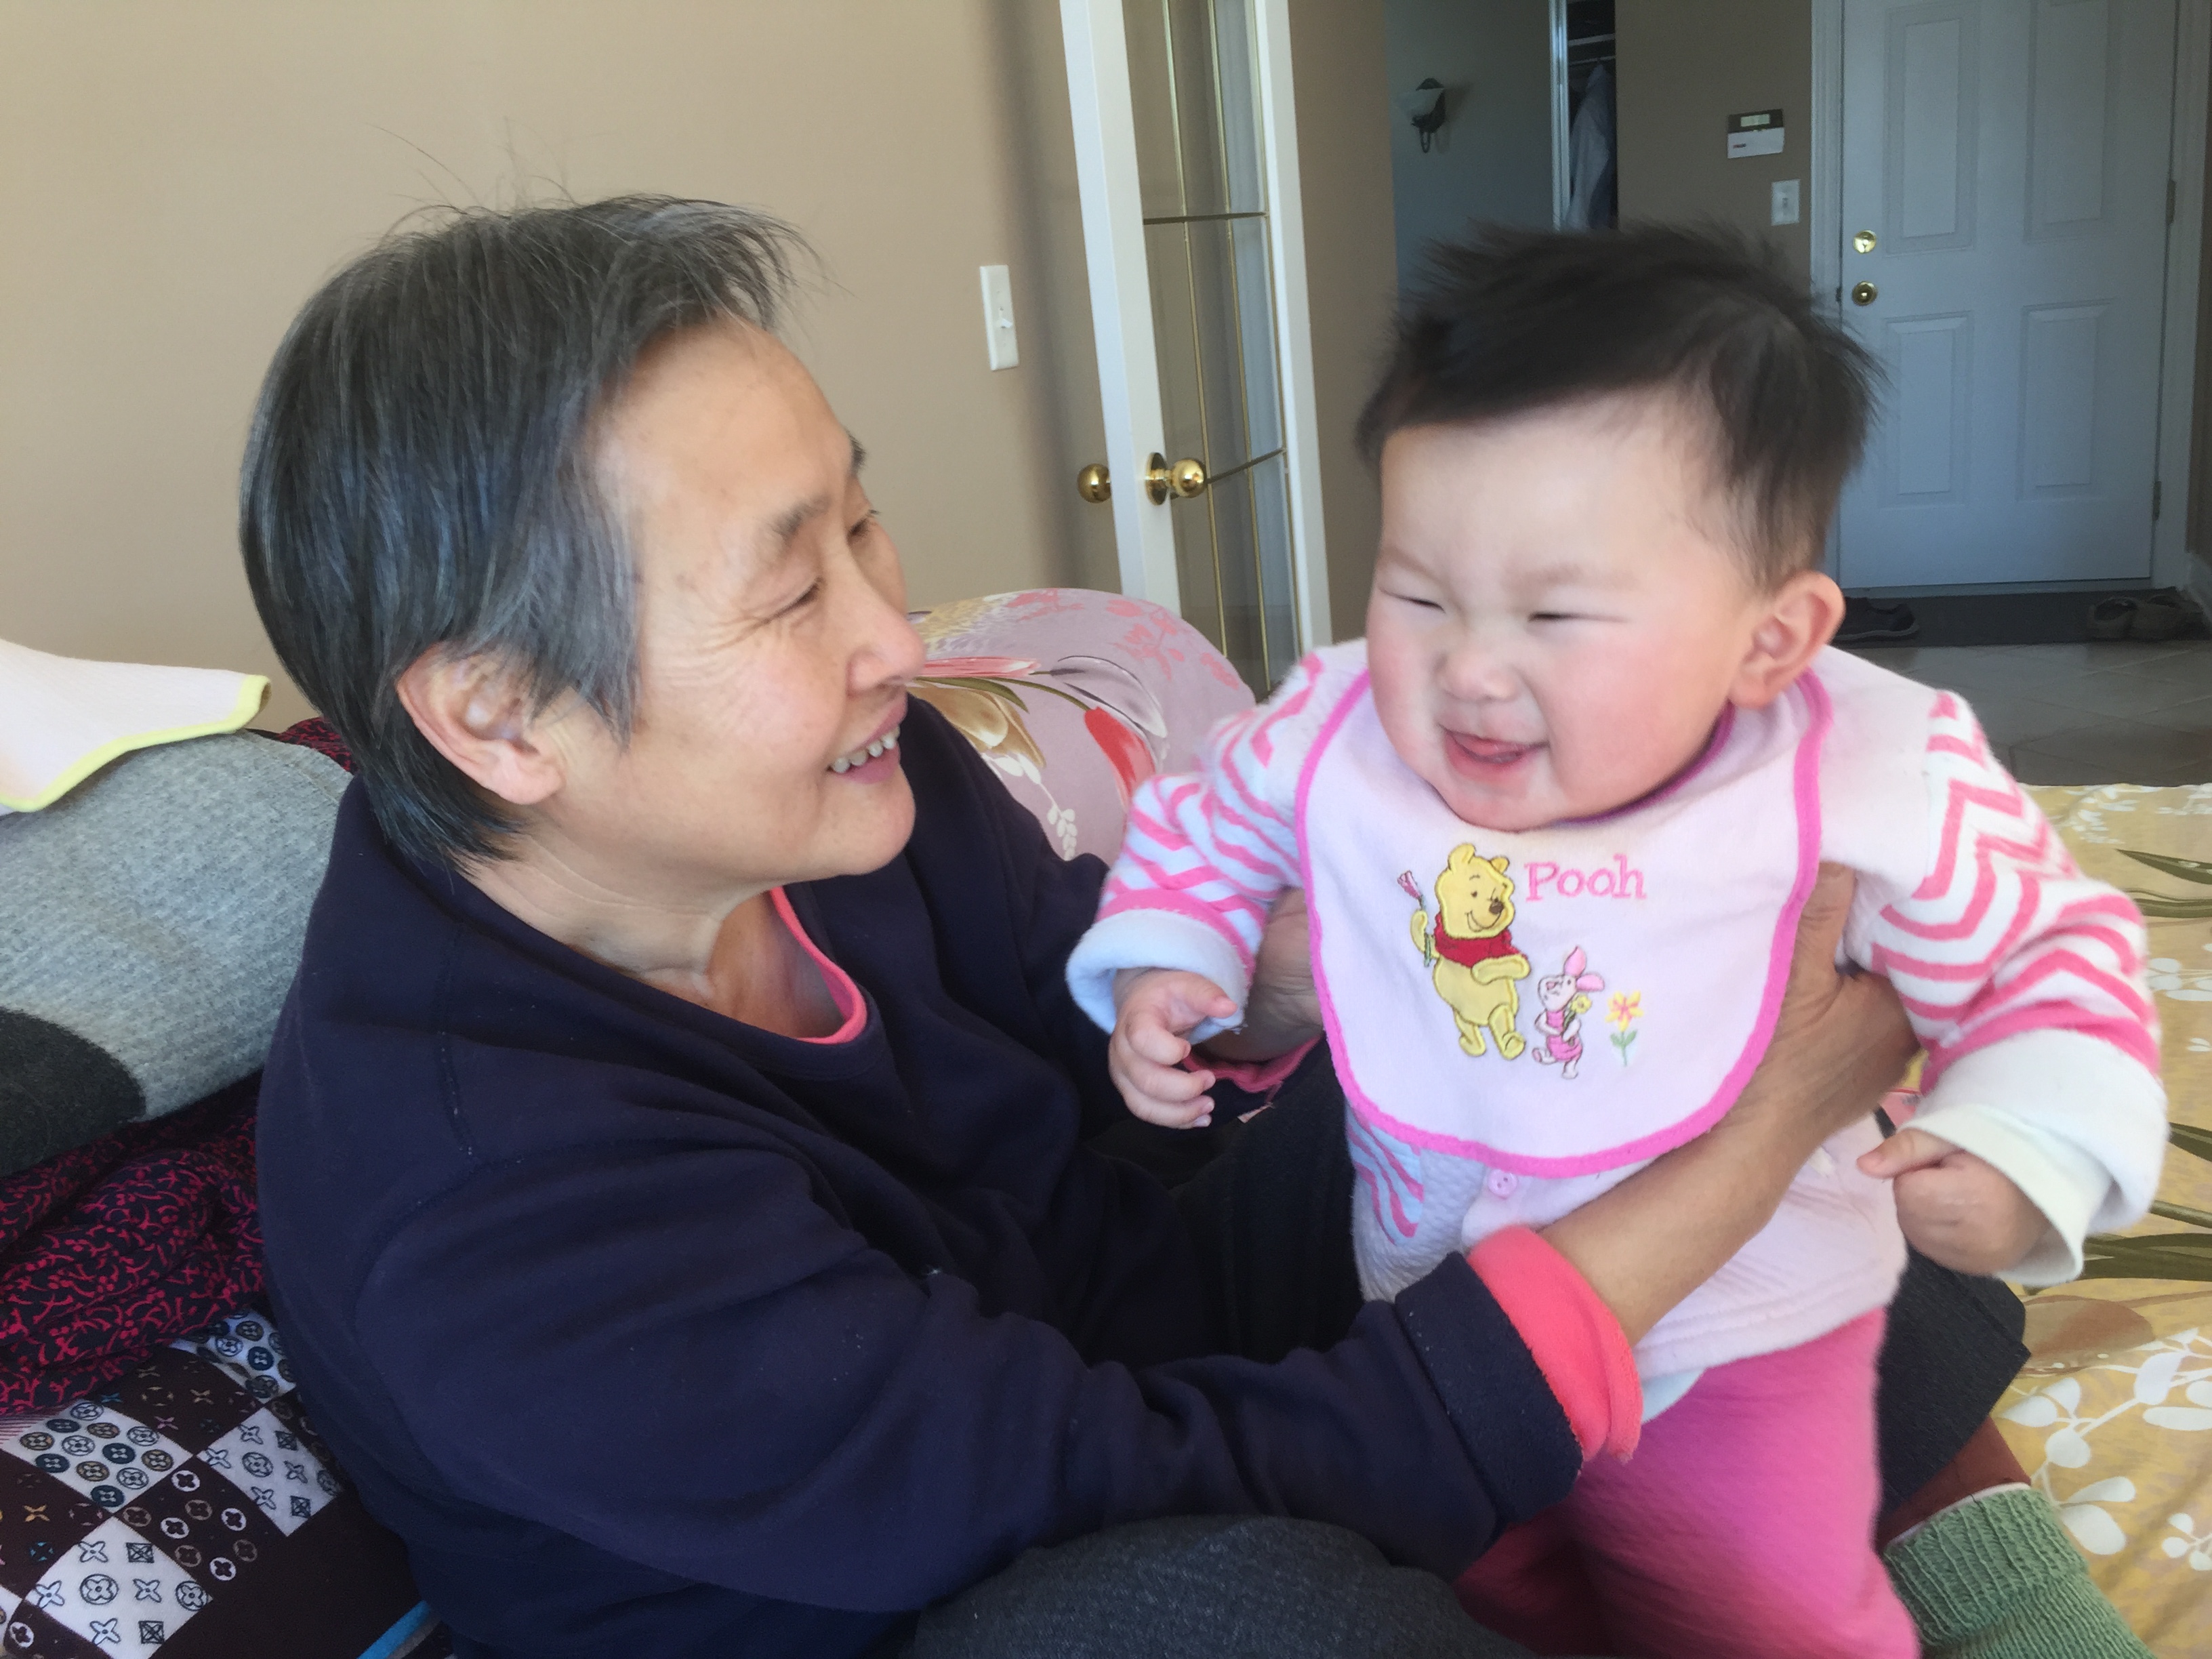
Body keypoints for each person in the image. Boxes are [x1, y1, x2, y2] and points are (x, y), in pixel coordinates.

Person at [243, 197, 2052, 1659]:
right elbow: (1112, 1486)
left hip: (1126, 1329)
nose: (894, 638)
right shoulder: (493, 1216)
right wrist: (1748, 1141)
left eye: (865, 524)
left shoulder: (848, 784)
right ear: (501, 717)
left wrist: (1411, 948)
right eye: (794, 591)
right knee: (1230, 1621)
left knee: (1624, 1093)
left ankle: (2014, 1609)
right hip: (941, 1588)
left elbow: (1084, 993)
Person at [1067, 226, 2167, 1658]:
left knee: (1762, 1616)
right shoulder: (1337, 730)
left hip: (1740, 1334)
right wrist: (1177, 955)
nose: (1469, 668)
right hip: (1444, 1310)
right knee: (1499, 1592)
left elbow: (2049, 955)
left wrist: (2025, 1155)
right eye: (1417, 592)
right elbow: (1206, 821)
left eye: (1557, 614)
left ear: (1769, 641)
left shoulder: (1867, 771)